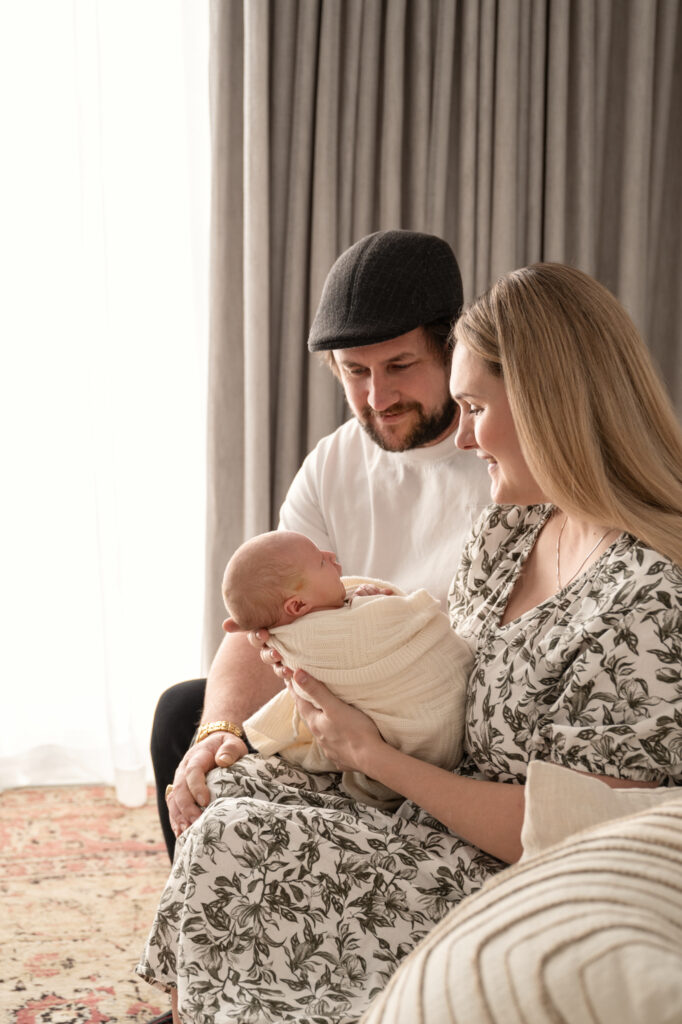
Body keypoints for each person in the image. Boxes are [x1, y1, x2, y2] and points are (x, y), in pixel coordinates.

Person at [137, 262, 682, 1024]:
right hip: (428, 799)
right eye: (354, 372)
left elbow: (586, 832)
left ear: (548, 404)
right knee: (230, 790)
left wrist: (371, 754)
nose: (463, 435)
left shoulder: (648, 594)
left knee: (238, 843)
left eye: (475, 408)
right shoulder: (514, 527)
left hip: (503, 868)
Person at [152, 230, 490, 856]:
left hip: (439, 720)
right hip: (341, 697)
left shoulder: (499, 456)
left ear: (452, 351)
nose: (377, 398)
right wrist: (219, 729)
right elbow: (268, 611)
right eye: (355, 372)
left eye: (399, 366)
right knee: (183, 718)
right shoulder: (335, 460)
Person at [222, 530, 472, 808]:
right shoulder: (308, 642)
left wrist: (366, 599)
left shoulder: (320, 612)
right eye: (321, 562)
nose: (330, 555)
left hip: (389, 744)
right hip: (421, 734)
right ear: (298, 604)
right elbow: (391, 621)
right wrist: (376, 603)